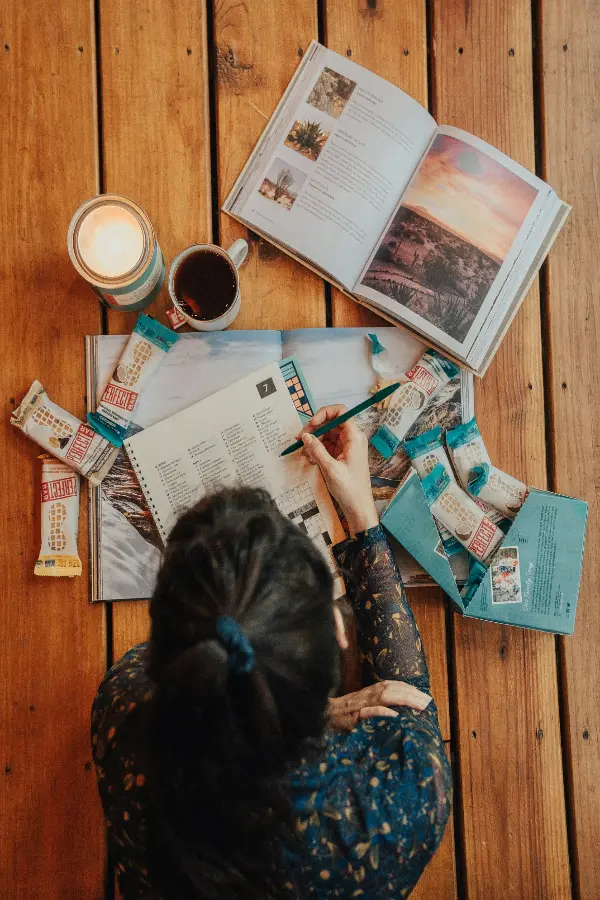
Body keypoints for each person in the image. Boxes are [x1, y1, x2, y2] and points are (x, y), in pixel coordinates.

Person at [92, 405, 452, 899]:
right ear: (338, 634)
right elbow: (411, 703)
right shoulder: (398, 799)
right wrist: (363, 517)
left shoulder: (125, 707)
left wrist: (315, 711)